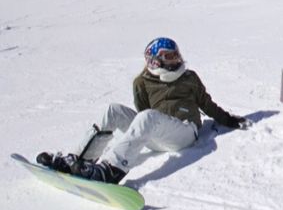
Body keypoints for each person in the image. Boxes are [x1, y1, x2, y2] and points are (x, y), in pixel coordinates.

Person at [36, 37, 248, 184]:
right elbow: (142, 112)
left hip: (184, 133)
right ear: (155, 60)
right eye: (169, 56)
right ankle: (78, 160)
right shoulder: (142, 82)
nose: (175, 60)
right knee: (114, 110)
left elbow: (207, 104)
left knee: (147, 116)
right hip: (157, 133)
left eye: (176, 55)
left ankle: (110, 170)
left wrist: (229, 120)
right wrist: (148, 126)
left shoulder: (189, 77)